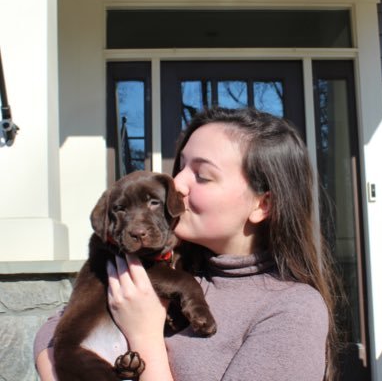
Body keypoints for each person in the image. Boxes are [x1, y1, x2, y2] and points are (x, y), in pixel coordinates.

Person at [34, 107, 340, 381]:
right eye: (180, 166)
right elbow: (55, 328)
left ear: (263, 204)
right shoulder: (175, 264)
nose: (176, 184)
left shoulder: (292, 310)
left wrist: (144, 337)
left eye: (202, 175)